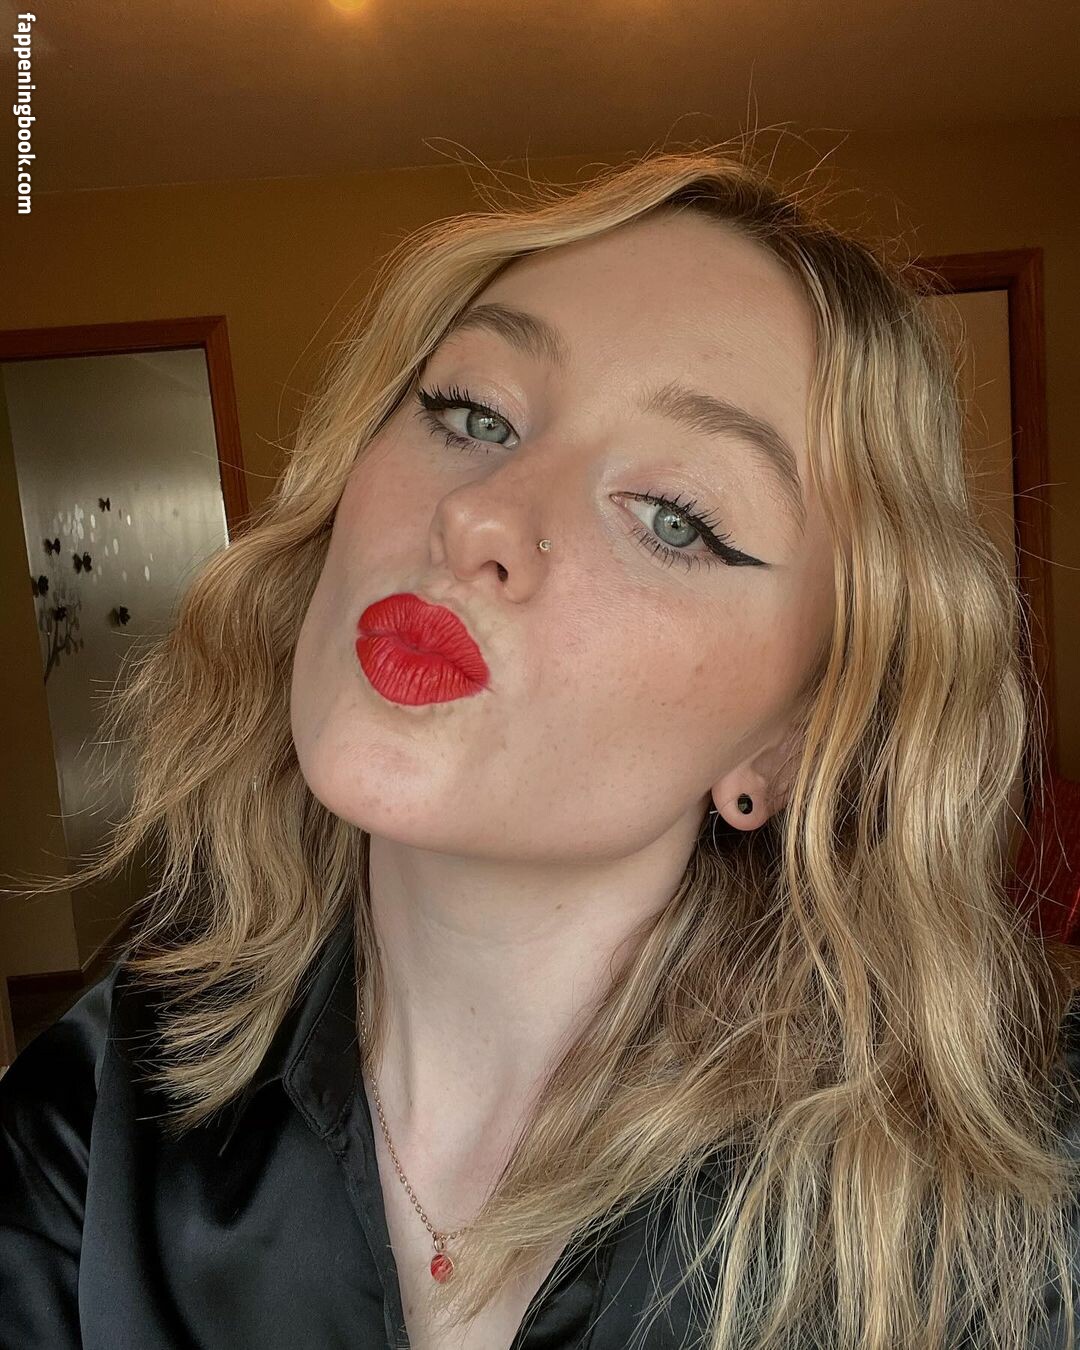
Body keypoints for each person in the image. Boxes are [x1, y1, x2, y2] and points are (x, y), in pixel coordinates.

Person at [2, 143, 1080, 1350]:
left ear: (788, 741)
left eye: (676, 518)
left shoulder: (1020, 1199)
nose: (479, 515)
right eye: (473, 415)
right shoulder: (98, 1117)